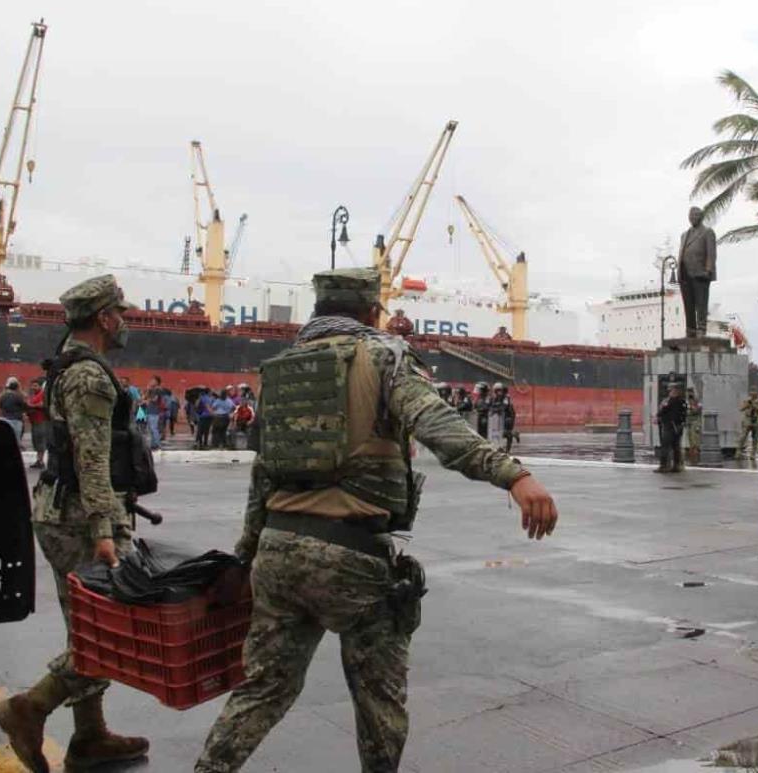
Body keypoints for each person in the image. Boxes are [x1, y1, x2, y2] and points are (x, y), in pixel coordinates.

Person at [195, 268, 557, 773]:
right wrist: (512, 475)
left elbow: (264, 472)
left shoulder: (280, 370)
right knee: (378, 702)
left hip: (278, 550)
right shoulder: (383, 354)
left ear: (320, 311)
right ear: (369, 312)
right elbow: (435, 423)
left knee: (261, 691)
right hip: (352, 557)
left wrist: (247, 554)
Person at [0, 274, 150, 772]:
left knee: (86, 627)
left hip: (64, 514)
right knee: (115, 629)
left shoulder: (70, 363)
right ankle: (30, 708)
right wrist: (105, 531)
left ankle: (89, 735)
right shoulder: (89, 376)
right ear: (103, 318)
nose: (123, 322)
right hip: (81, 520)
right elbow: (92, 460)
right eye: (119, 313)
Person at [677, 206, 717, 338]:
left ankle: (701, 329)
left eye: (694, 215)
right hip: (684, 274)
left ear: (700, 217)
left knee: (701, 304)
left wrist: (708, 270)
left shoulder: (707, 232)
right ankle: (690, 330)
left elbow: (711, 254)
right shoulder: (684, 235)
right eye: (690, 216)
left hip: (700, 274)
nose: (691, 218)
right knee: (688, 304)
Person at [654, 382, 688, 473]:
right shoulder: (683, 401)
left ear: (675, 391)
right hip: (678, 426)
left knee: (665, 446)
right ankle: (677, 466)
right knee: (676, 446)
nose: (669, 392)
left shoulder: (670, 401)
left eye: (671, 390)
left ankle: (663, 466)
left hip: (669, 426)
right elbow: (684, 414)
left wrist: (657, 416)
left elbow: (663, 410)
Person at [27, 379, 51, 469]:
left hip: (41, 421)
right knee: (36, 441)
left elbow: (42, 405)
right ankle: (38, 460)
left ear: (40, 387)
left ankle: (40, 461)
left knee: (40, 441)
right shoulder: (34, 396)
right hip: (34, 422)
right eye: (32, 386)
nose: (33, 388)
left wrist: (31, 406)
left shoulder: (42, 395)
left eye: (35, 386)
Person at [0, 377, 28, 441]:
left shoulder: (2, 396)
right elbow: (24, 406)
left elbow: (0, 406)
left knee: (7, 439)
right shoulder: (18, 396)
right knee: (16, 440)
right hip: (16, 420)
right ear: (17, 387)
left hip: (5, 419)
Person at [492, 382, 517, 453]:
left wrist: (496, 409)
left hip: (509, 416)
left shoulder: (506, 398)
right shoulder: (496, 398)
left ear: (502, 391)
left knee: (507, 433)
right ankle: (514, 433)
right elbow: (492, 405)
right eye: (496, 391)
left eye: (499, 390)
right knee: (499, 432)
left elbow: (504, 406)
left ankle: (508, 450)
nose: (498, 392)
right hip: (500, 416)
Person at [738, 388, 758, 461]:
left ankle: (753, 454)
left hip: (756, 419)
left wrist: (754, 405)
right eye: (752, 392)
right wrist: (747, 404)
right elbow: (741, 409)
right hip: (748, 419)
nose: (753, 393)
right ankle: (738, 451)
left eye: (754, 392)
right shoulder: (747, 401)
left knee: (755, 438)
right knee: (743, 436)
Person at [145, 375, 164, 450]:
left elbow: (155, 399)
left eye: (152, 380)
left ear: (157, 382)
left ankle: (157, 444)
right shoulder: (152, 389)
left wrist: (148, 400)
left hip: (154, 411)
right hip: (150, 410)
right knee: (150, 428)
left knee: (153, 428)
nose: (151, 381)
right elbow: (145, 397)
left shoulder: (157, 390)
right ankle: (153, 444)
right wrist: (148, 390)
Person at [684, 388, 703, 465]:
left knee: (695, 440)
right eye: (688, 393)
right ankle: (692, 457)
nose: (689, 394)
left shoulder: (697, 401)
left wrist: (692, 406)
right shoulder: (686, 401)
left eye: (690, 393)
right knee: (690, 440)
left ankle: (696, 457)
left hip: (695, 422)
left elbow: (697, 410)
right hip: (688, 422)